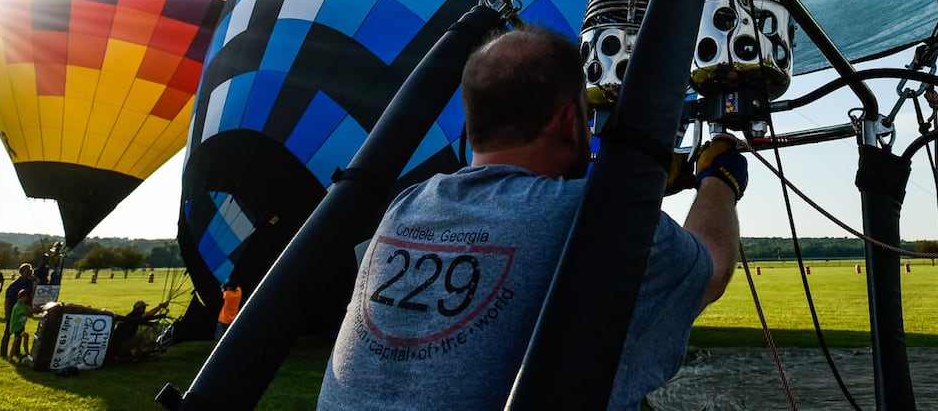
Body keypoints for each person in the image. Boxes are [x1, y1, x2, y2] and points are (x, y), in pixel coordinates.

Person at [318, 24, 745, 411]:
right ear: (568, 121)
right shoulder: (591, 218)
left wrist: (628, 189)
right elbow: (714, 267)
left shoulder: (405, 206)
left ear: (471, 124)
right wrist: (719, 178)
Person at [107, 299, 170, 364]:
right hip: (120, 347)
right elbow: (149, 315)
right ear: (139, 309)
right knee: (144, 336)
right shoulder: (135, 316)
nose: (144, 310)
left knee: (142, 338)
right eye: (144, 308)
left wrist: (153, 322)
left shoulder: (131, 316)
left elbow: (145, 320)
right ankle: (137, 355)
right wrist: (160, 307)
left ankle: (158, 346)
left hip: (118, 347)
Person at [0, 263, 36, 358]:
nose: (30, 273)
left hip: (23, 309)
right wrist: (7, 313)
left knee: (20, 330)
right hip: (13, 309)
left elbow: (30, 295)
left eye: (30, 271)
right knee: (8, 331)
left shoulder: (30, 282)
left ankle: (16, 351)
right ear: (21, 272)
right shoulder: (15, 285)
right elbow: (7, 299)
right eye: (27, 271)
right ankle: (3, 352)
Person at [7, 287, 34, 361]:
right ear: (21, 297)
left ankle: (10, 356)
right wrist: (34, 310)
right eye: (25, 298)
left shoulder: (24, 306)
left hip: (21, 327)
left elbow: (30, 312)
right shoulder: (17, 307)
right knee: (25, 336)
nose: (26, 299)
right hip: (16, 327)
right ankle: (27, 352)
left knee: (16, 342)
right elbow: (26, 313)